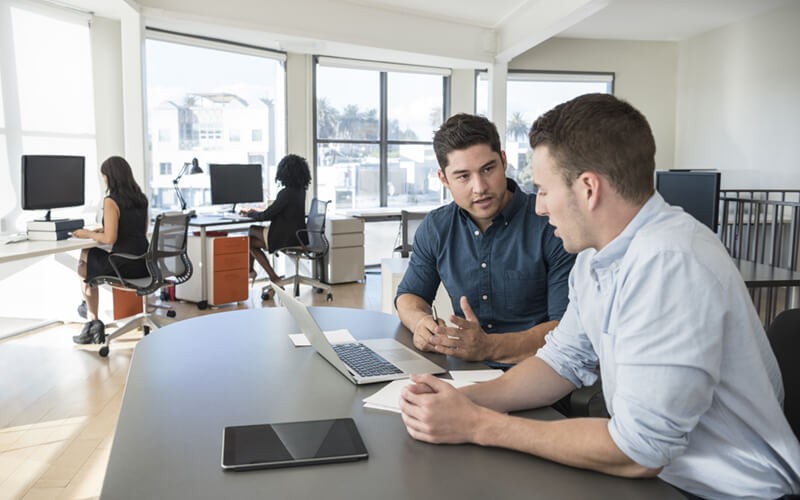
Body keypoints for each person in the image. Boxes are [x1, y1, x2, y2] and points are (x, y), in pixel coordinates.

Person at [398, 94, 800, 498]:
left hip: (724, 491)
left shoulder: (671, 263)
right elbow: (560, 361)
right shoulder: (596, 258)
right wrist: (460, 400)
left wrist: (478, 425)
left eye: (544, 190)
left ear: (588, 189)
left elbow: (641, 451)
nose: (539, 208)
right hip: (662, 477)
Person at [395, 113, 575, 365]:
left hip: (539, 369)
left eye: (488, 169)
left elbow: (566, 328)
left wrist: (488, 347)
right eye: (463, 176)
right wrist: (421, 323)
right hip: (466, 369)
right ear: (443, 179)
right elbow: (409, 295)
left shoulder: (551, 224)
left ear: (504, 161)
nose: (480, 187)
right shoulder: (437, 227)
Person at [73, 156, 149, 345]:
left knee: (84, 258)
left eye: (104, 176)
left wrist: (88, 233)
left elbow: (109, 239)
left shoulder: (111, 201)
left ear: (109, 177)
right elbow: (141, 230)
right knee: (86, 261)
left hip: (124, 266)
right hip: (145, 264)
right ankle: (89, 314)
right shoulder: (141, 198)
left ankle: (92, 319)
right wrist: (105, 229)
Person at [240, 154, 310, 296]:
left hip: (284, 237)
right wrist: (259, 211)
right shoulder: (300, 191)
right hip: (297, 236)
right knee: (250, 242)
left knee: (251, 231)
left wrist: (251, 213)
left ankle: (261, 274)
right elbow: (279, 211)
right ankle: (261, 274)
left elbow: (266, 216)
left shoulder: (286, 193)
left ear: (284, 173)